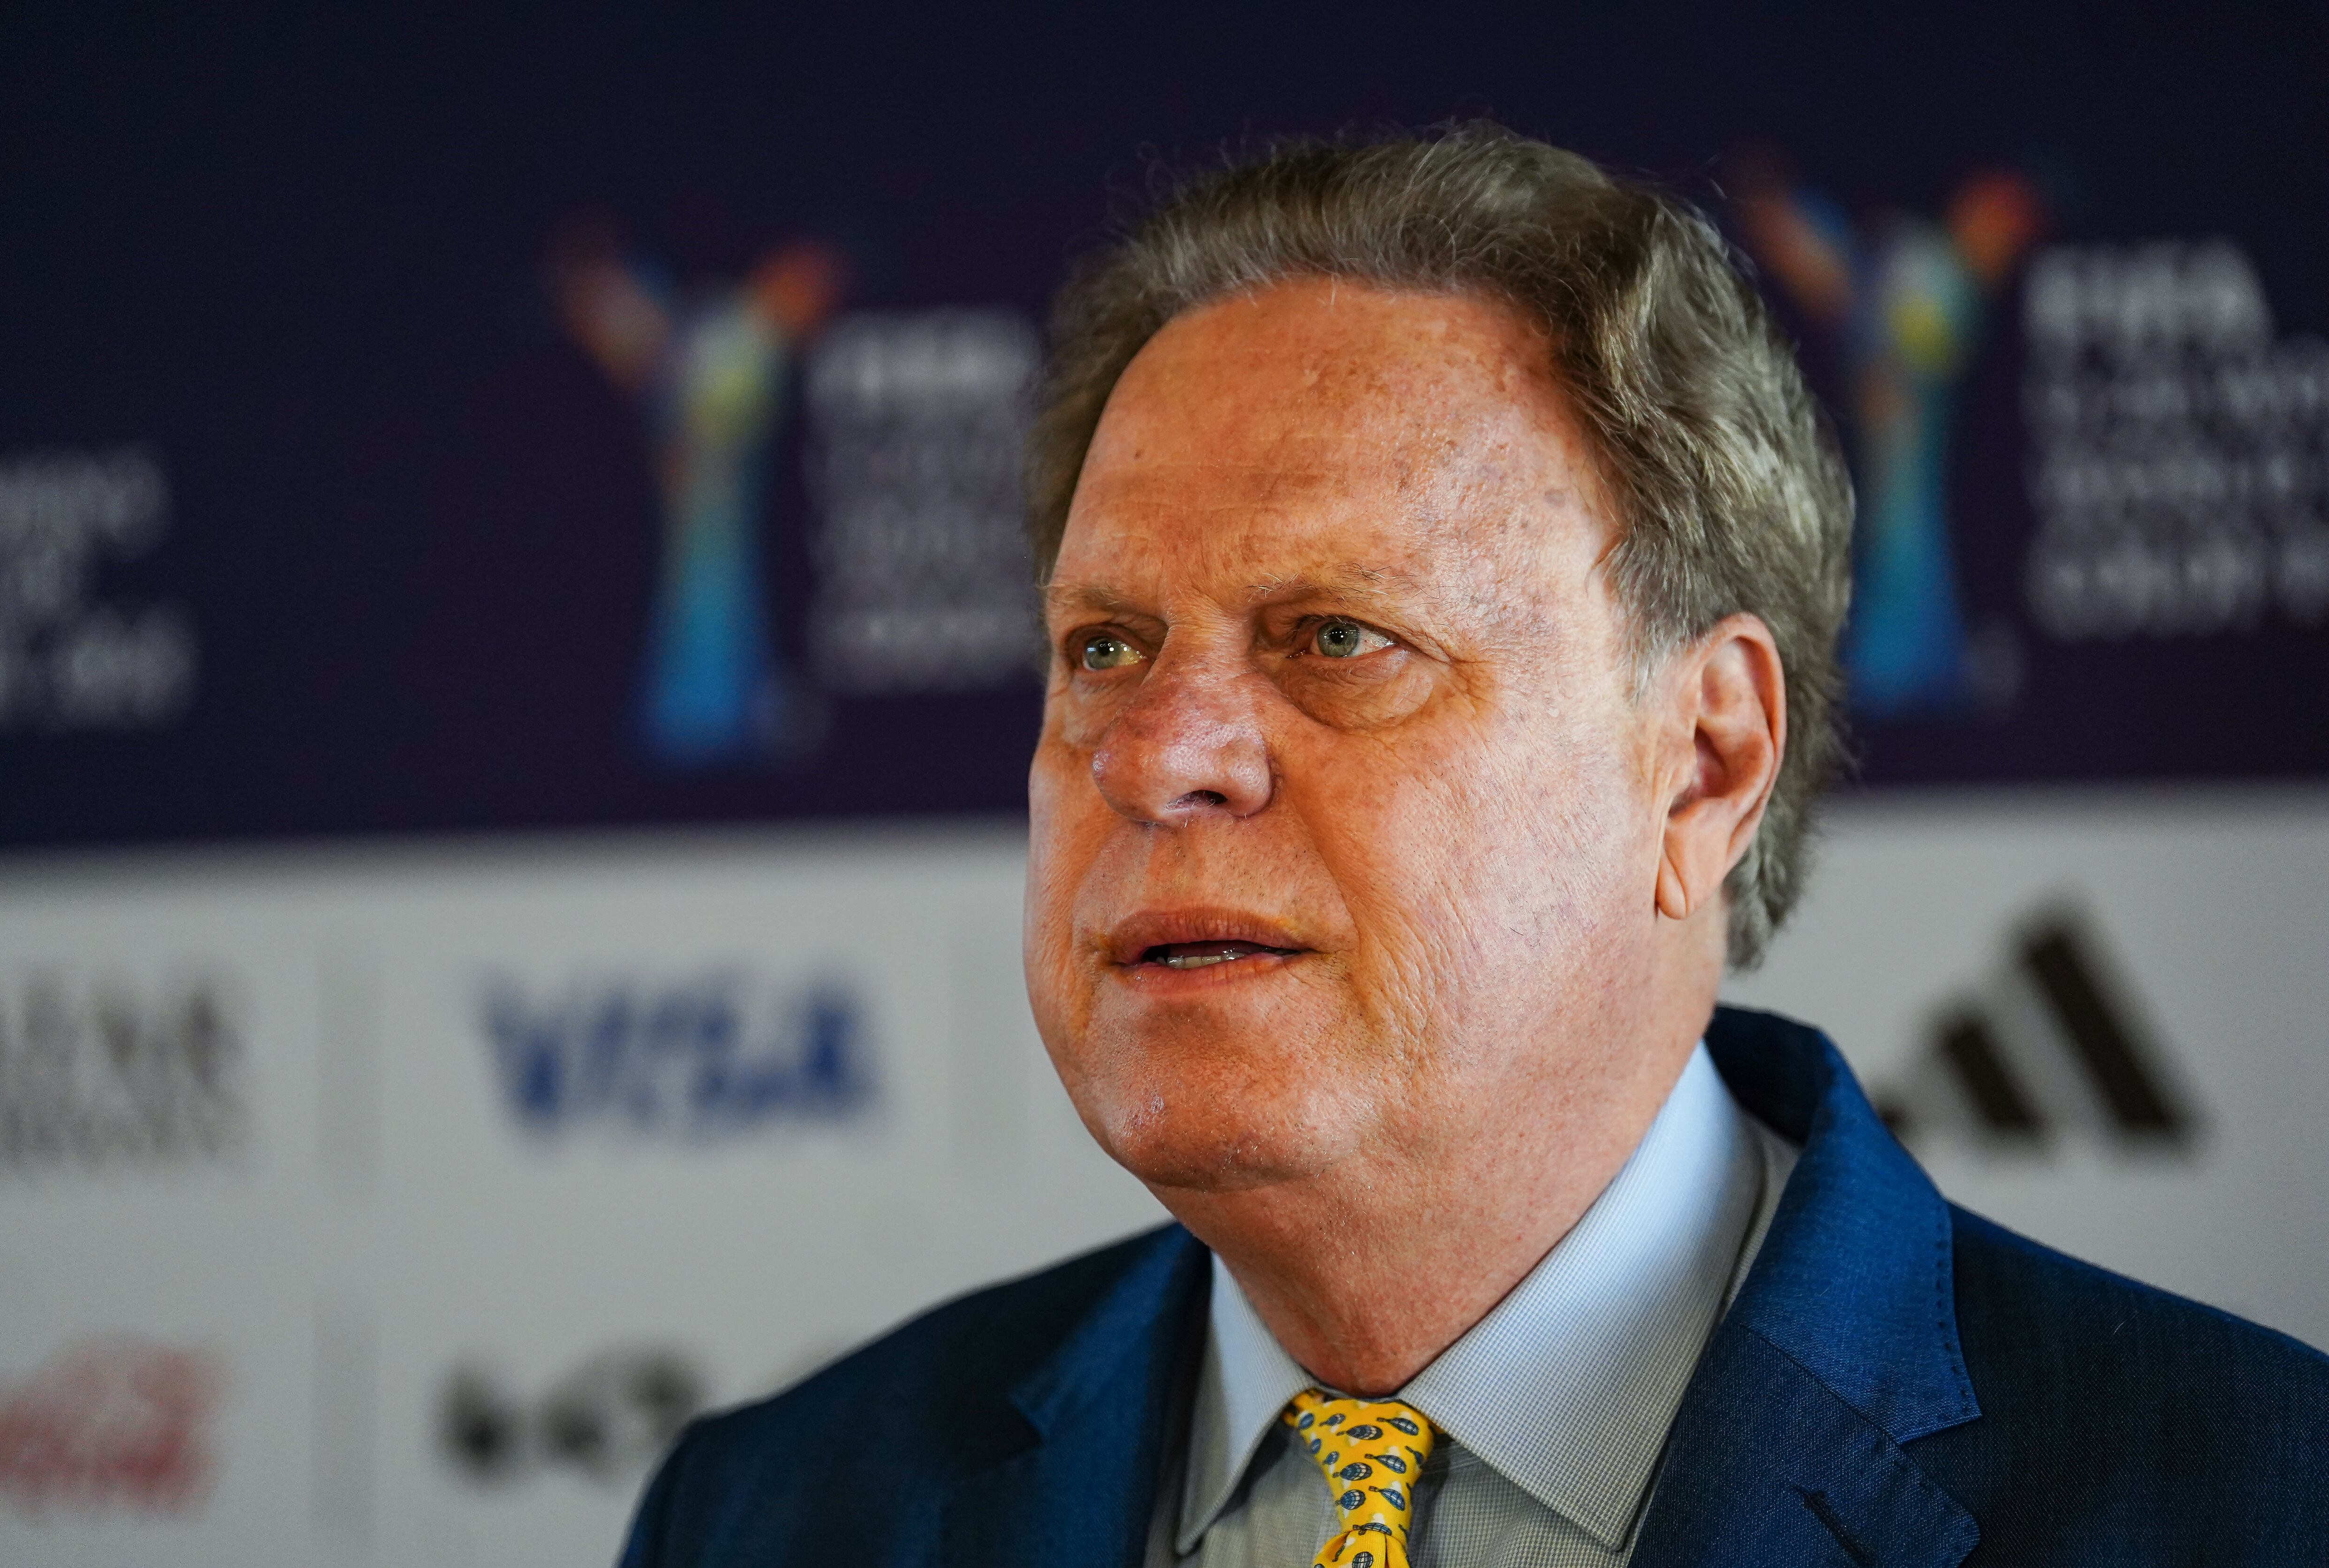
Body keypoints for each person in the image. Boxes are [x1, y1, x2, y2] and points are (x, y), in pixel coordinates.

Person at [616, 126, 2329, 1568]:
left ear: (1705, 762)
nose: (1155, 757)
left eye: (1336, 637)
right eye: (1107, 648)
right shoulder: (772, 1518)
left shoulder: (2255, 1500)